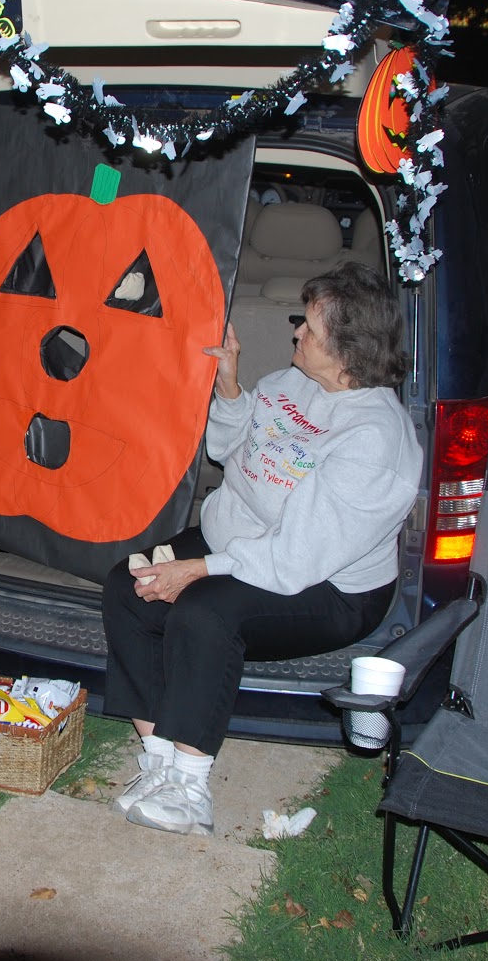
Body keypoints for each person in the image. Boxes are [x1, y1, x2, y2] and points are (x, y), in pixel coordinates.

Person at [101, 260, 423, 837]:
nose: (296, 331)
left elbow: (294, 558)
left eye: (311, 329)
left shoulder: (376, 440)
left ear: (348, 353)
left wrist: (200, 570)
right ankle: (159, 763)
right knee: (128, 588)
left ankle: (191, 787)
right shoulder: (292, 383)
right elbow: (231, 451)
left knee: (203, 613)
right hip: (240, 541)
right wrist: (230, 389)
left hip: (328, 586)